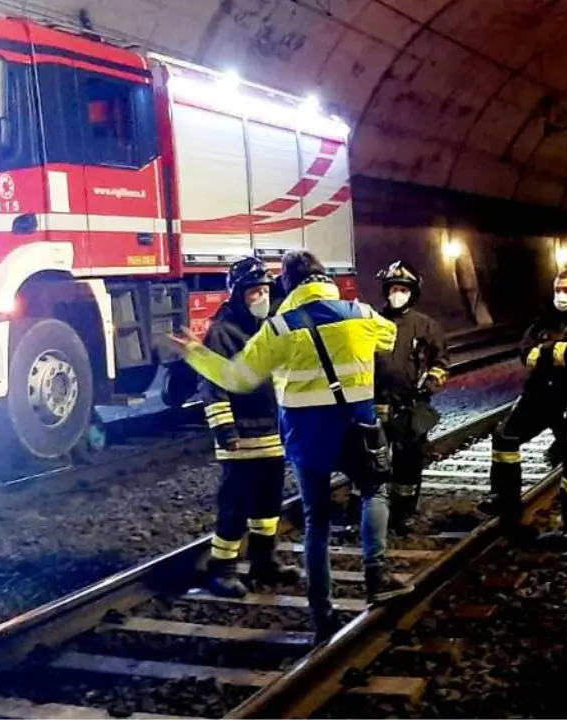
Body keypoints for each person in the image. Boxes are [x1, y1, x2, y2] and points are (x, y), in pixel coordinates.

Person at [169, 250, 410, 643]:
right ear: (324, 275)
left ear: (286, 285)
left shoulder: (278, 329)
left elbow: (237, 378)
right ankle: (377, 571)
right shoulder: (360, 313)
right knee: (374, 491)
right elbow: (390, 337)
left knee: (316, 521)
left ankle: (322, 612)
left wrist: (195, 354)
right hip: (356, 425)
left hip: (306, 436)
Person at [199, 257, 303, 597]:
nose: (260, 298)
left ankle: (264, 561)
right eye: (253, 292)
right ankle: (222, 568)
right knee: (236, 504)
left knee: (269, 502)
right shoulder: (222, 332)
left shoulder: (271, 328)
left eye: (264, 291)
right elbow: (213, 386)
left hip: (272, 434)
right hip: (240, 436)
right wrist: (225, 429)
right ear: (237, 294)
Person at [483, 268, 567, 533]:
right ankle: (505, 501)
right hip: (539, 398)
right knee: (504, 437)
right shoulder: (543, 321)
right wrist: (555, 352)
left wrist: (545, 352)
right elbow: (526, 353)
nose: (561, 295)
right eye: (558, 289)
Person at [374, 261, 449, 532]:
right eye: (393, 288)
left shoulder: (427, 327)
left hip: (410, 406)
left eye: (402, 289)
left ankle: (404, 513)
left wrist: (428, 385)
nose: (397, 293)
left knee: (409, 461)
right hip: (378, 405)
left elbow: (441, 363)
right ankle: (375, 511)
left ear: (412, 292)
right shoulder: (373, 323)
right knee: (374, 462)